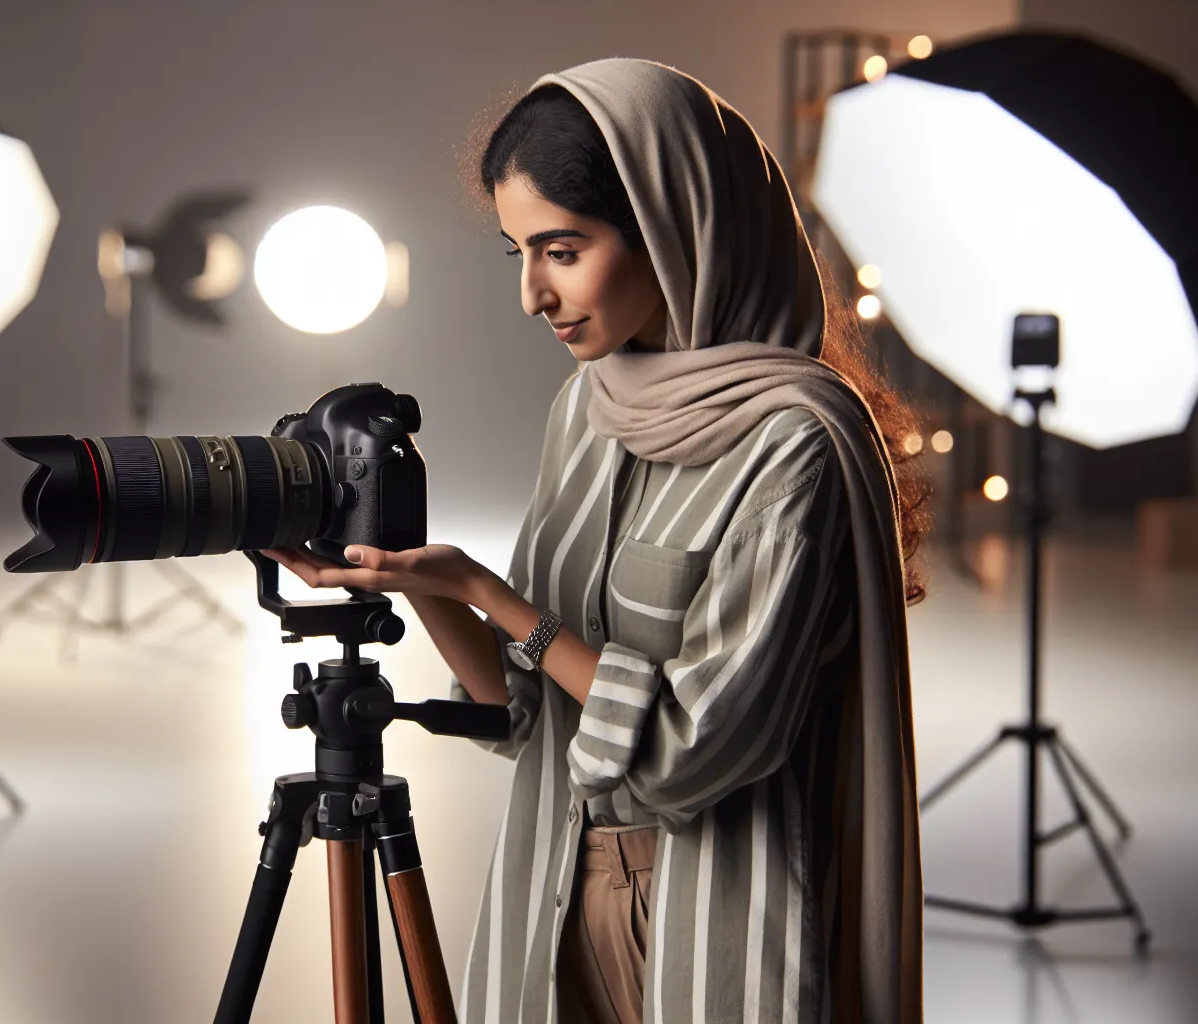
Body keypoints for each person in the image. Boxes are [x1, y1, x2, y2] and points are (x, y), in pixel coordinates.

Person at [265, 58, 927, 1024]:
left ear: (671, 228)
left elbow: (690, 752)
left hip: (714, 911)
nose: (533, 293)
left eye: (563, 250)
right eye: (517, 253)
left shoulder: (795, 444)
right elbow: (524, 710)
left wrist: (498, 597)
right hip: (556, 887)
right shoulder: (587, 408)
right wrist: (415, 578)